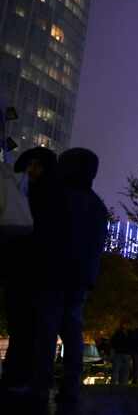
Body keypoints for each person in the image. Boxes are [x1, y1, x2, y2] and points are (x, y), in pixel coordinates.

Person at [30, 148, 108, 403]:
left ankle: (40, 383)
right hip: (81, 277)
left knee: (46, 327)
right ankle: (71, 384)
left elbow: (44, 233)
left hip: (54, 271)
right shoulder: (97, 205)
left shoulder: (59, 196)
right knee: (72, 328)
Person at [1, 147, 59, 392]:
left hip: (33, 272)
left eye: (37, 166)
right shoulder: (21, 193)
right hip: (20, 270)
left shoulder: (46, 197)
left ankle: (22, 377)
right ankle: (19, 377)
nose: (32, 171)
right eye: (29, 165)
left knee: (27, 326)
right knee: (21, 325)